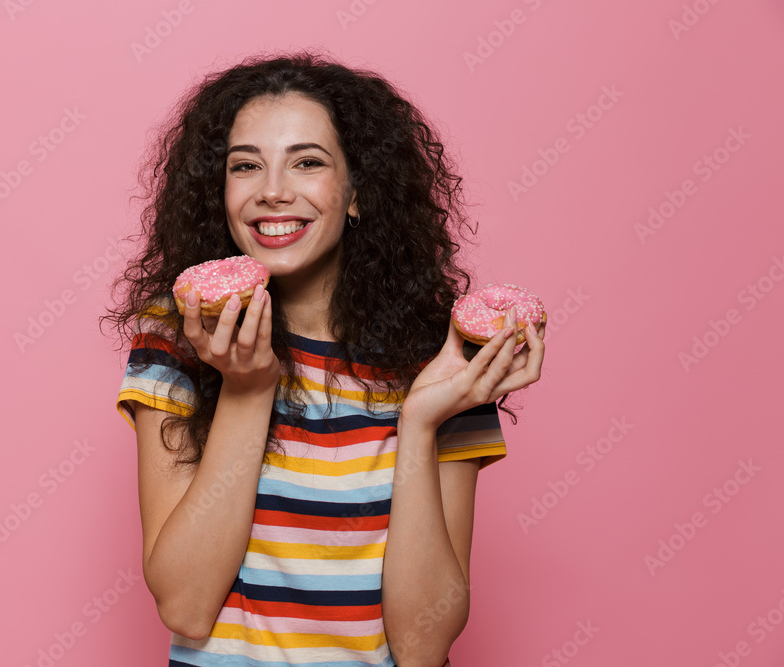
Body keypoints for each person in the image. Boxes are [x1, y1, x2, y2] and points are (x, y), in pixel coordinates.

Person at [102, 50, 545, 667]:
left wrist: (418, 424)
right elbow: (184, 605)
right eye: (245, 166)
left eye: (307, 163)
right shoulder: (181, 336)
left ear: (357, 193)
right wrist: (248, 390)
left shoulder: (441, 358)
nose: (273, 192)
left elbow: (423, 646)